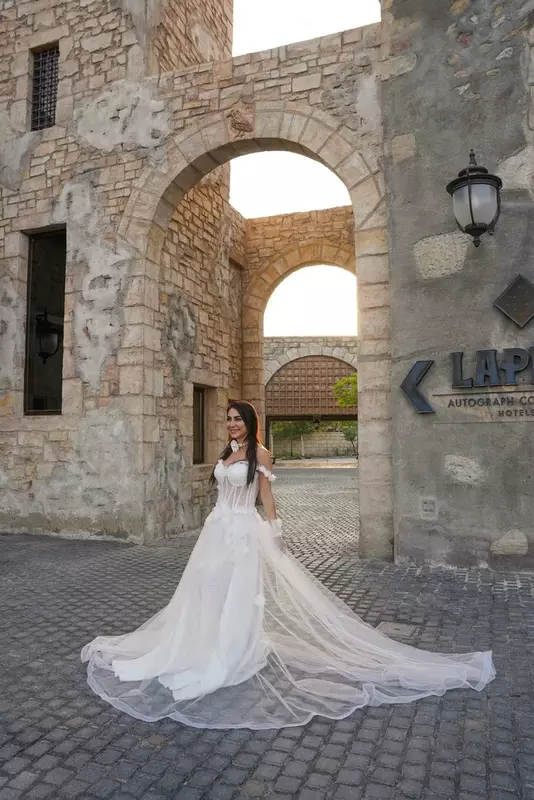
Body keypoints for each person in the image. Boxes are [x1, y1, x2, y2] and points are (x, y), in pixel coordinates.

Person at [81, 400, 495, 730]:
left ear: (250, 422)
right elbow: (222, 489)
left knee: (237, 593)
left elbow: (265, 496)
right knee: (205, 589)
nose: (231, 424)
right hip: (216, 530)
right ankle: (199, 642)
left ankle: (230, 650)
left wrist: (276, 532)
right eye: (228, 419)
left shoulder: (261, 453)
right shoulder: (228, 452)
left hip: (243, 531)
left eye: (237, 419)